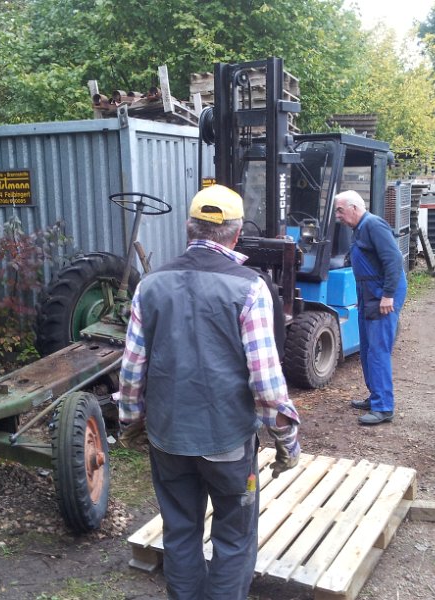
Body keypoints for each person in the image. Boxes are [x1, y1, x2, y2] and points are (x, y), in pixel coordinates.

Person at [115, 184, 301, 600]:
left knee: (180, 531)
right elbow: (267, 384)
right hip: (228, 443)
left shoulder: (150, 285)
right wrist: (287, 440)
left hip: (168, 439)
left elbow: (132, 370)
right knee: (234, 537)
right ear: (237, 234)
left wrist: (132, 423)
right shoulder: (250, 288)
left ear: (189, 228)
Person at [334, 189, 407, 425]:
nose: (337, 216)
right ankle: (376, 396)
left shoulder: (374, 225)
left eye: (340, 210)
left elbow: (393, 260)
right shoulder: (359, 229)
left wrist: (388, 296)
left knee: (378, 351)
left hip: (381, 294)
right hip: (369, 293)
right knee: (366, 348)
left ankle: (384, 407)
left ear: (354, 208)